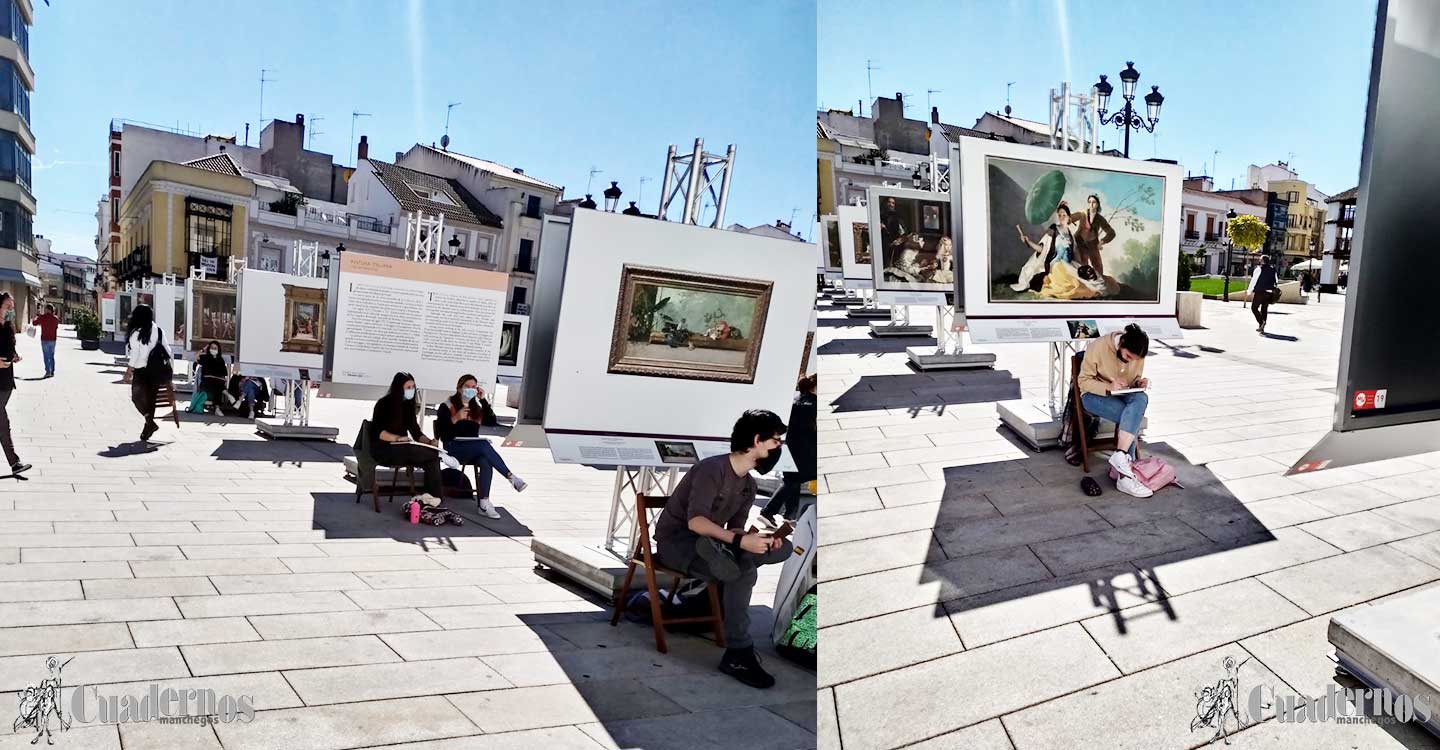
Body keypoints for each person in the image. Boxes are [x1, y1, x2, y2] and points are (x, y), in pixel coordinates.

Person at [653, 409, 792, 689]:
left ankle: (719, 559)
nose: (779, 447)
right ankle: (738, 653)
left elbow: (736, 529)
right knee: (743, 572)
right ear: (757, 439)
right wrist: (740, 542)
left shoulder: (748, 485)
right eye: (776, 441)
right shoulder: (711, 469)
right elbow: (696, 521)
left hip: (715, 543)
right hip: (678, 543)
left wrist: (761, 539)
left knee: (782, 549)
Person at [434, 374, 526, 519]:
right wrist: (455, 418)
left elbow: (491, 421)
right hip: (453, 447)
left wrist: (483, 400)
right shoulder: (447, 406)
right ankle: (511, 477)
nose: (470, 390)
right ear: (459, 388)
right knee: (483, 445)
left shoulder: (475, 407)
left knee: (485, 460)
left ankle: (484, 503)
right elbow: (442, 432)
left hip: (472, 448)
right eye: (467, 387)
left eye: (473, 387)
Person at [1077, 324, 1152, 499]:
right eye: (1128, 357)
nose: (1131, 361)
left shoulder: (1137, 353)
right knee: (1131, 417)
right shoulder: (1098, 346)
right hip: (1093, 395)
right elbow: (1083, 382)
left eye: (1135, 359)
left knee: (1141, 398)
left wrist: (1139, 382)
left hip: (1122, 395)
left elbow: (1133, 379)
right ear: (1122, 343)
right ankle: (1126, 475)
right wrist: (1108, 386)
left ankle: (1121, 458)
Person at [369, 372, 444, 502]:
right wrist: (397, 438)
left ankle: (433, 499)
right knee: (425, 454)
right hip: (384, 449)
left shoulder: (408, 406)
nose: (412, 390)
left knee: (432, 457)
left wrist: (429, 442)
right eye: (408, 387)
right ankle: (433, 498)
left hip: (402, 449)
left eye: (413, 387)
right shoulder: (384, 404)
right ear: (399, 388)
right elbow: (378, 433)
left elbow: (416, 432)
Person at [761, 376, 817, 524]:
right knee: (794, 480)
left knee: (793, 479)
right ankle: (768, 511)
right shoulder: (816, 403)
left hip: (789, 445)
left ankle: (789, 515)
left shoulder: (794, 398)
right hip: (806, 449)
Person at [124, 304, 168, 442]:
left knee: (137, 397)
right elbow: (168, 351)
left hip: (141, 370)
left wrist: (128, 371)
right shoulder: (159, 331)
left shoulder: (136, 332)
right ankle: (148, 427)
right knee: (151, 400)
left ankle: (150, 424)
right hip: (156, 371)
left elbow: (135, 353)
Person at [0, 293, 29, 475]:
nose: (11, 310)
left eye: (12, 307)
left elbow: (9, 347)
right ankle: (15, 463)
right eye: (8, 307)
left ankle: (15, 463)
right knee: (3, 422)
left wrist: (15, 355)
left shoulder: (8, 328)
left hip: (6, 382)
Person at [1070, 193, 1116, 277]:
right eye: (1089, 202)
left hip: (1092, 244)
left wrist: (1102, 242)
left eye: (1094, 202)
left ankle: (1098, 286)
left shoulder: (1100, 219)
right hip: (1079, 242)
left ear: (1097, 204)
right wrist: (1067, 216)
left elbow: (1112, 233)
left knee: (1098, 268)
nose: (1091, 204)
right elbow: (1071, 218)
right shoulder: (1082, 213)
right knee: (1082, 265)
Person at [1246, 255, 1281, 334]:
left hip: (1260, 292)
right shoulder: (1273, 270)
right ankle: (1262, 327)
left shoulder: (1259, 269)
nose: (1259, 260)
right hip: (1269, 293)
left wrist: (1249, 291)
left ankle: (1261, 322)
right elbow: (1276, 281)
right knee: (1264, 309)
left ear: (1262, 261)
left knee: (1254, 308)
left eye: (1260, 259)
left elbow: (1253, 281)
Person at [194, 341, 228, 413]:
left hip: (217, 382)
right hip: (206, 382)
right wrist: (203, 349)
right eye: (212, 348)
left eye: (215, 348)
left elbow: (224, 373)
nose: (213, 349)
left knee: (218, 385)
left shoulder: (220, 360)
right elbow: (196, 355)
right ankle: (218, 407)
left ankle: (217, 408)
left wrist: (225, 380)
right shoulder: (205, 357)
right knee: (218, 386)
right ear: (209, 349)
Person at [30, 304, 59, 378]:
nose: (44, 310)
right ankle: (52, 371)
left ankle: (48, 371)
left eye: (45, 309)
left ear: (48, 309)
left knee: (46, 356)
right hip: (53, 339)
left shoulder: (42, 317)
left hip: (44, 339)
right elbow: (56, 327)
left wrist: (35, 317)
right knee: (51, 356)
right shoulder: (56, 319)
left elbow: (34, 323)